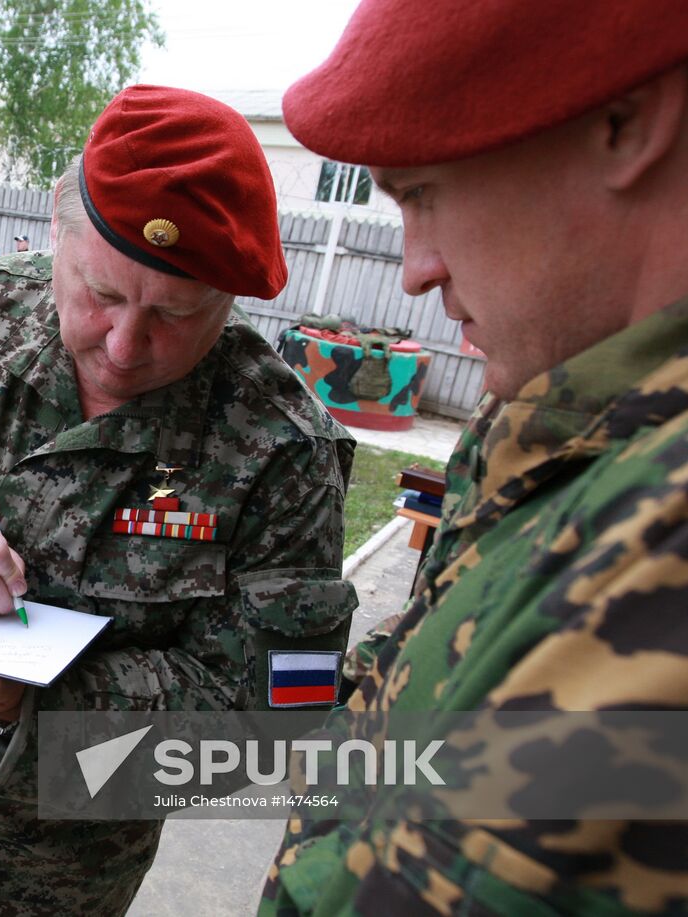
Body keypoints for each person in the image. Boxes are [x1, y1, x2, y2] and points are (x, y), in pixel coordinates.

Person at [0, 84, 357, 914]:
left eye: (175, 314)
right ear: (59, 226)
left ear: (230, 299)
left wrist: (30, 703)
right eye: (102, 293)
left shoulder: (281, 448)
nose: (123, 346)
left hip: (69, 857)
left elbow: (278, 707)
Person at [260, 3, 688, 914]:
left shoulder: (660, 534)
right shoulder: (561, 419)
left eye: (421, 193)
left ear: (626, 122)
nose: (413, 268)